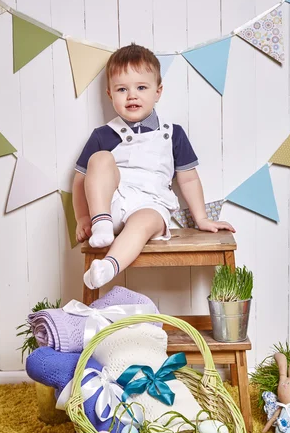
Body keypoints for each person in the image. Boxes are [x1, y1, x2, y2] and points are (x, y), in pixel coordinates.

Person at [72, 43, 235, 290]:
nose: (132, 95)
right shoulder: (103, 135)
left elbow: (188, 179)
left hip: (150, 206)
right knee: (100, 160)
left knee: (143, 222)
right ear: (110, 94)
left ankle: (108, 267)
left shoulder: (173, 134)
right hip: (110, 206)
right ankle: (101, 223)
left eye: (141, 87)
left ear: (157, 92)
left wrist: (201, 218)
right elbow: (81, 180)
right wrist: (83, 217)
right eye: (122, 89)